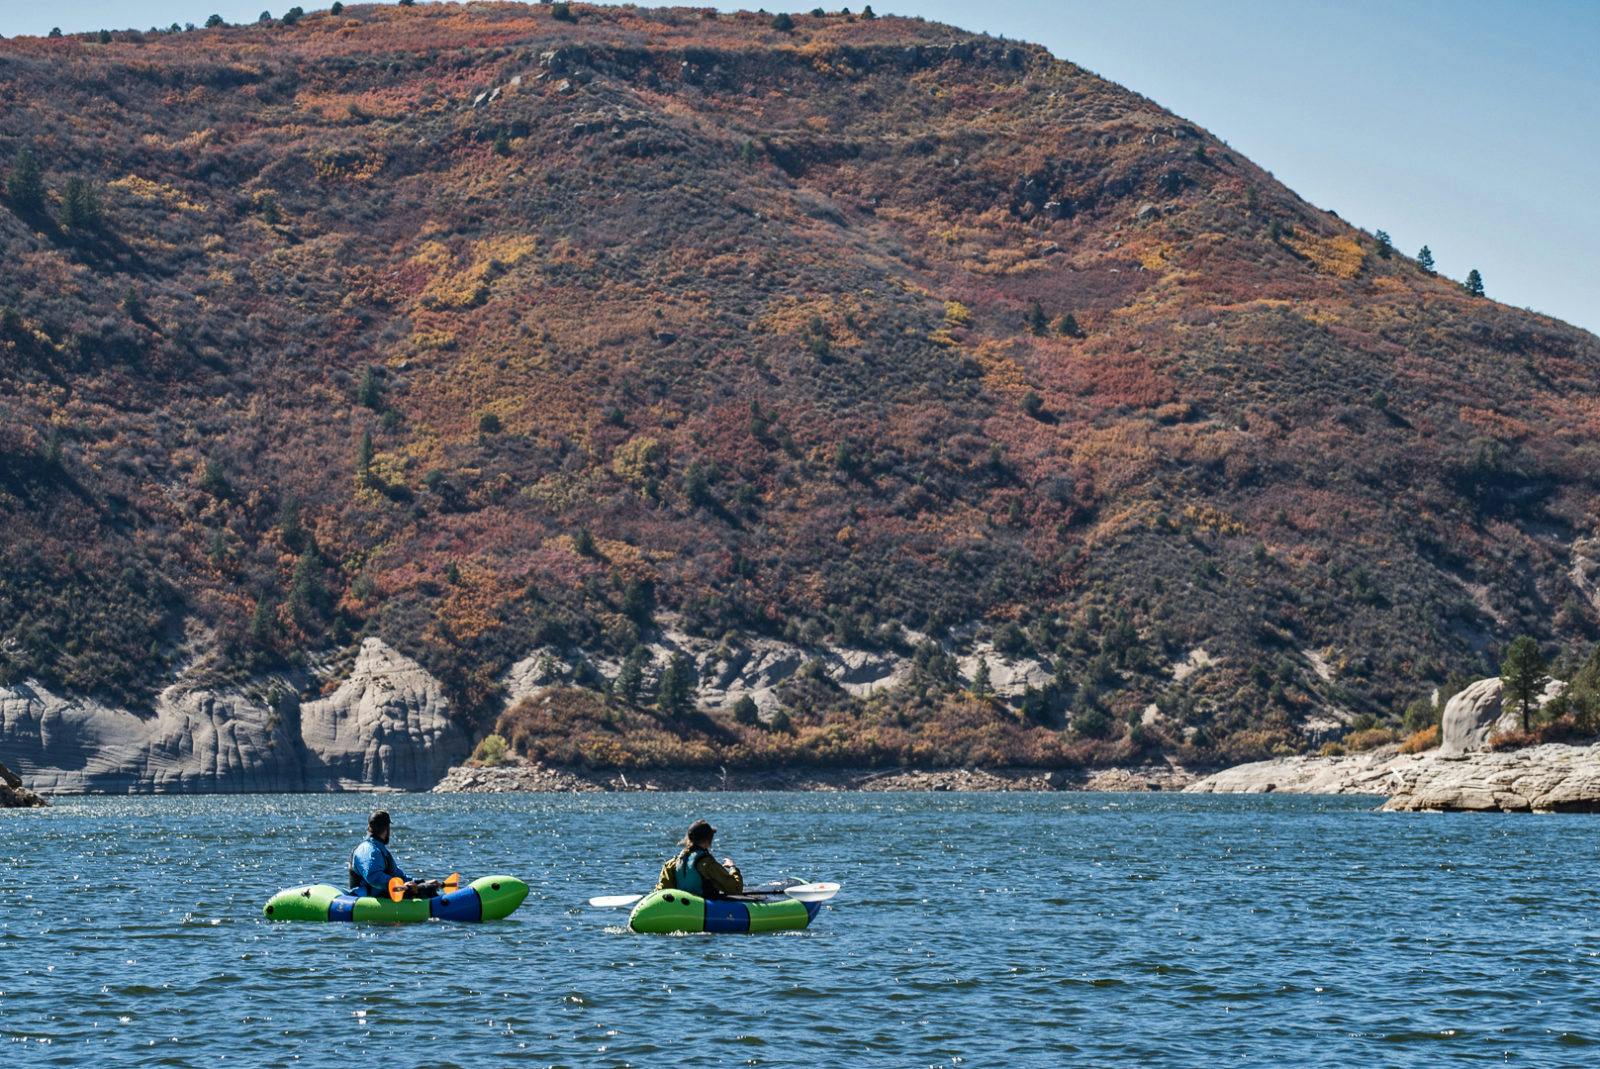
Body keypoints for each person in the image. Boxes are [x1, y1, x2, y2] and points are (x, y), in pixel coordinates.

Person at [348, 810, 440, 900]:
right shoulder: (367, 850)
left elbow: (399, 875)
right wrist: (401, 885)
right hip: (368, 899)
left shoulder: (379, 849)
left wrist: (421, 882)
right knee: (426, 890)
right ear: (386, 829)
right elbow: (374, 878)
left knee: (427, 887)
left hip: (385, 894)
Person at [655, 818, 743, 899]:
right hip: (702, 907)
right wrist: (733, 867)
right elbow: (735, 888)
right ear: (707, 840)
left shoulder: (673, 863)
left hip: (682, 906)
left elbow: (662, 890)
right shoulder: (706, 863)